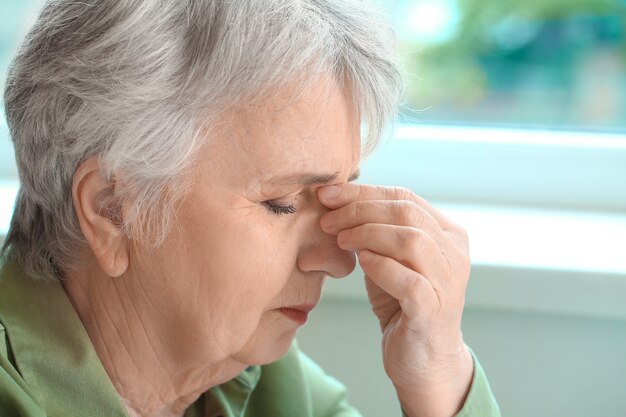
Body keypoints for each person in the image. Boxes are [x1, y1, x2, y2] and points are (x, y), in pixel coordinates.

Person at [0, 1, 501, 416]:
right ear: (112, 209)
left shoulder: (266, 382)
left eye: (339, 194)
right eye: (282, 204)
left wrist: (440, 375)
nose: (338, 260)